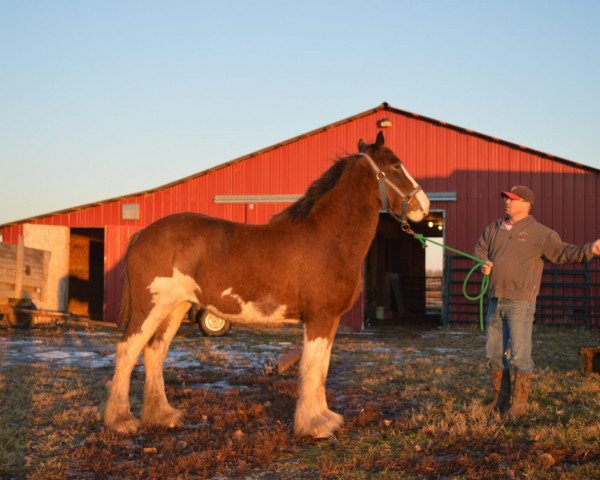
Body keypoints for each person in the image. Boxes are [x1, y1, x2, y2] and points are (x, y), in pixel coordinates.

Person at [474, 185, 600, 418]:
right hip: (495, 299)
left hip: (521, 301)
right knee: (493, 353)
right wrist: (482, 262)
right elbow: (480, 249)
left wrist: (589, 249)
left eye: (512, 199)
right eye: (506, 198)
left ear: (526, 203)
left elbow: (564, 252)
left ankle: (519, 405)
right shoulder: (493, 228)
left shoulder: (541, 233)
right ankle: (500, 400)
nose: (507, 202)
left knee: (520, 354)